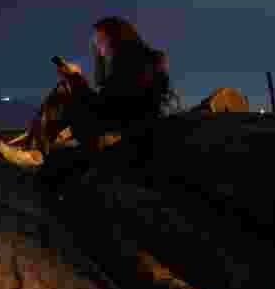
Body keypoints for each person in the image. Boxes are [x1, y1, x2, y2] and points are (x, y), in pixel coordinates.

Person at [36, 16, 173, 190]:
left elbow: (109, 110)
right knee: (64, 91)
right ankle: (39, 146)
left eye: (101, 40)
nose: (99, 48)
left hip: (128, 141)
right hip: (127, 134)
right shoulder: (140, 62)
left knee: (55, 161)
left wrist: (76, 81)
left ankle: (39, 149)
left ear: (117, 38)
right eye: (96, 42)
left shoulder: (134, 66)